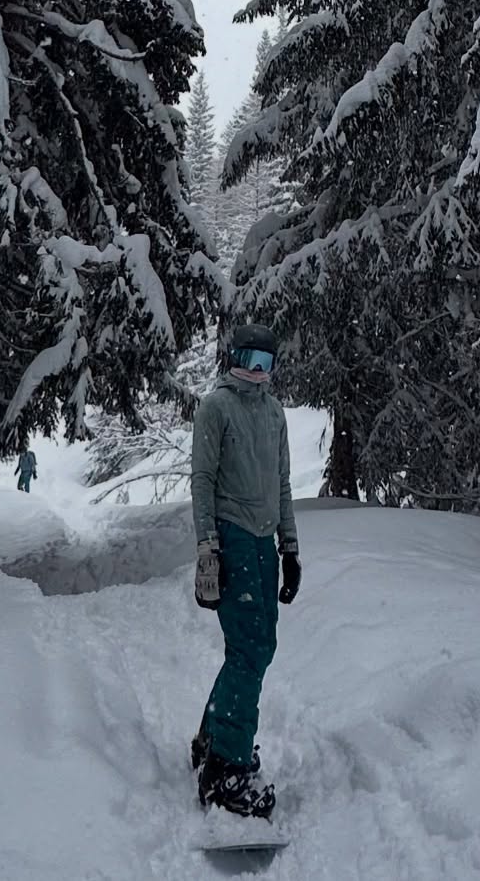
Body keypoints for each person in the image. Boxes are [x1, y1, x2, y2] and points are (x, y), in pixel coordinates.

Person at [189, 322, 301, 820]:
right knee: (251, 647)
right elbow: (202, 482)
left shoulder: (274, 412)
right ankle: (224, 768)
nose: (257, 373)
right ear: (233, 358)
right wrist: (207, 551)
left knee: (257, 646)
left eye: (266, 364)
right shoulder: (217, 408)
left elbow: (282, 483)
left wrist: (290, 548)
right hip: (232, 537)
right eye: (249, 361)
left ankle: (212, 735)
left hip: (264, 542)